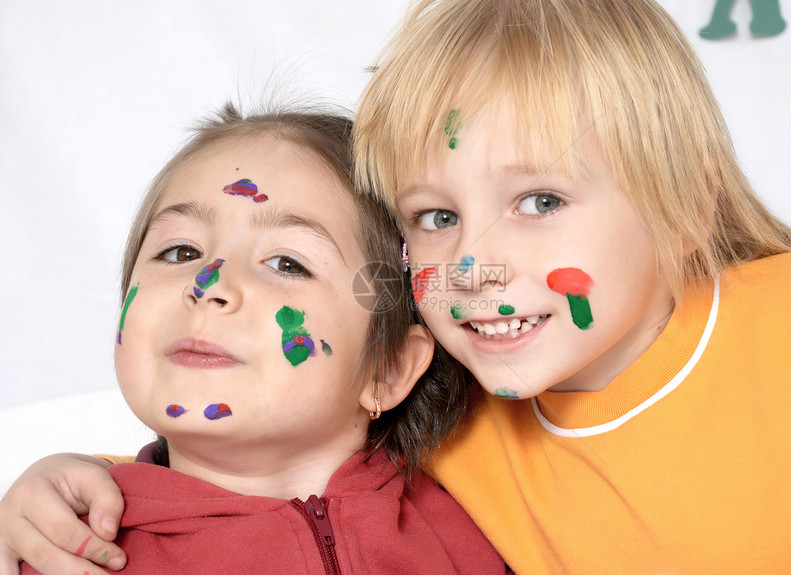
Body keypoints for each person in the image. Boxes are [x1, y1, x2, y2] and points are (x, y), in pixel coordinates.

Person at [2, 0, 791, 573]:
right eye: (435, 216)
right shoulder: (462, 430)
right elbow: (265, 470)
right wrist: (71, 482)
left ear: (684, 196)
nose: (470, 262)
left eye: (540, 200)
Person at [10, 103, 507, 575]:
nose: (209, 285)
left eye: (287, 263)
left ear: (389, 368)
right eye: (180, 252)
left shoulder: (486, 524)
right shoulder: (62, 550)